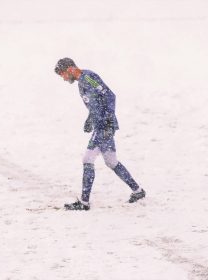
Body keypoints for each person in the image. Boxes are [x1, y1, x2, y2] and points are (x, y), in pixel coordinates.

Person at [54, 57, 146, 211]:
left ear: (70, 69)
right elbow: (97, 102)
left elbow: (110, 96)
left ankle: (84, 203)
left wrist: (108, 119)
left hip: (104, 127)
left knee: (87, 159)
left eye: (62, 74)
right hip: (101, 126)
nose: (63, 79)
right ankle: (138, 191)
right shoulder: (81, 82)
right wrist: (90, 118)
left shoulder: (88, 77)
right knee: (111, 161)